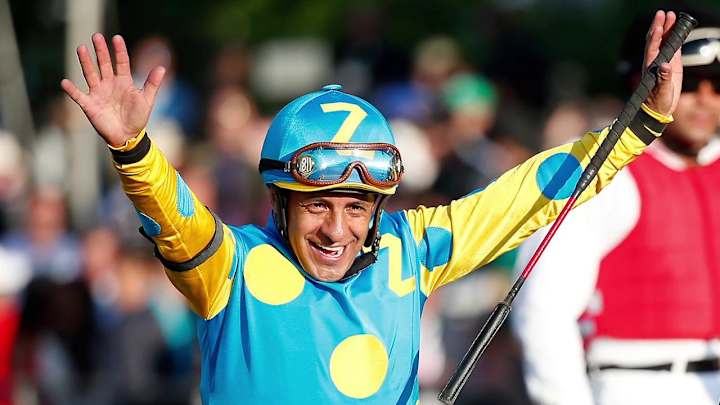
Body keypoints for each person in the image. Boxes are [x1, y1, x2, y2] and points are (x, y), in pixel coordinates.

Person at [61, 10, 681, 404]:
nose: (338, 229)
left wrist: (638, 125)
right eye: (318, 206)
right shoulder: (229, 268)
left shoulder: (412, 250)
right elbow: (174, 215)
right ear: (279, 202)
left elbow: (523, 196)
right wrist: (132, 148)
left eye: (358, 207)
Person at [512, 15, 720, 405]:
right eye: (690, 82)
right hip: (634, 385)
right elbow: (543, 312)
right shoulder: (604, 169)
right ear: (641, 82)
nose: (706, 99)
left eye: (718, 84)